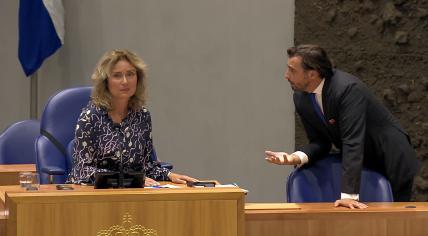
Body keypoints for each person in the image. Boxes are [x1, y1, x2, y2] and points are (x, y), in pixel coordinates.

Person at [265, 44, 420, 209]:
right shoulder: (301, 98)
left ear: (312, 74)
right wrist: (294, 157)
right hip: (360, 162)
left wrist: (348, 196)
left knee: (391, 225)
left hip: (390, 157)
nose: (286, 76)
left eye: (292, 70)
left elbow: (352, 141)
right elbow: (320, 142)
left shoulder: (347, 89)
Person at [68, 49, 197, 186]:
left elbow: (146, 166)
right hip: (95, 196)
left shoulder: (142, 116)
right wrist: (124, 179)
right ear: (106, 81)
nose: (125, 81)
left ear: (138, 78)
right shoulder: (90, 117)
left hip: (133, 193)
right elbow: (82, 171)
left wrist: (169, 175)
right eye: (117, 76)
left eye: (130, 74)